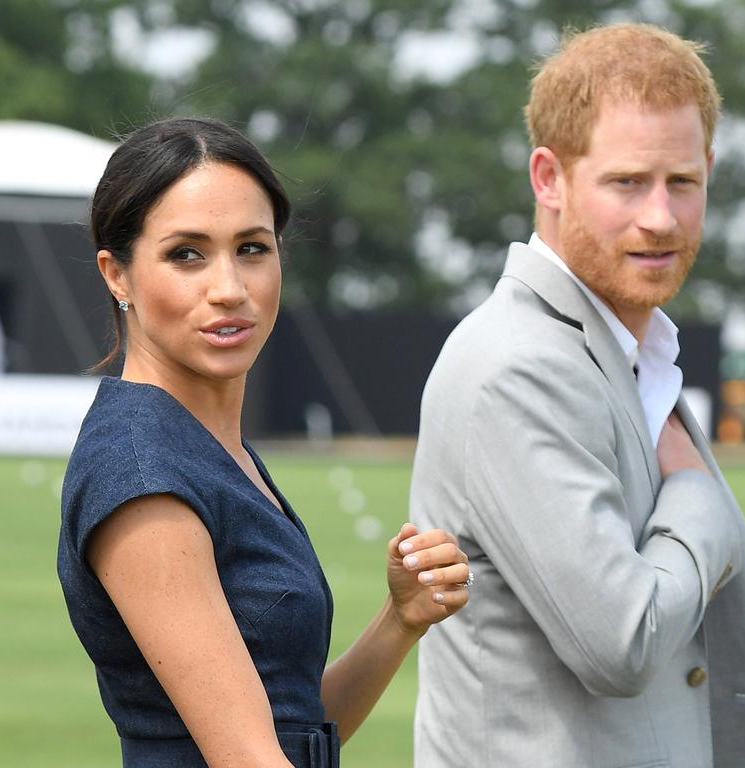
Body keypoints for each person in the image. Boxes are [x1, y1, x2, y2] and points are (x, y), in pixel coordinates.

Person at [410, 22, 745, 768]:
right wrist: (698, 497)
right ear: (548, 178)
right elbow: (623, 644)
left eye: (682, 182)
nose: (659, 216)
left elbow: (691, 692)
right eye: (627, 181)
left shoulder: (630, 352)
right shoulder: (517, 366)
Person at [57, 117, 471, 768]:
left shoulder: (208, 449)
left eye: (252, 248)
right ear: (118, 274)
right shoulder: (143, 472)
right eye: (186, 253)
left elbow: (293, 726)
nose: (229, 289)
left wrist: (399, 621)